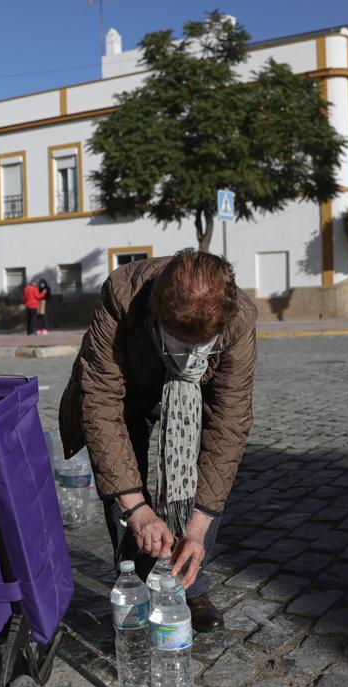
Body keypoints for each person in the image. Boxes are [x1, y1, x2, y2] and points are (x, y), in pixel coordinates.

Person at [59, 249, 257, 633]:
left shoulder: (239, 320)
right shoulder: (122, 295)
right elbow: (100, 405)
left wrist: (197, 529)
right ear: (156, 315)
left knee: (205, 476)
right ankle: (135, 578)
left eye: (199, 349)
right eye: (178, 346)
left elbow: (229, 426)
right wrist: (137, 510)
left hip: (192, 399)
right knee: (123, 475)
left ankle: (189, 583)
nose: (188, 358)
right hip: (128, 392)